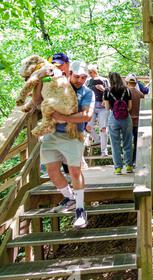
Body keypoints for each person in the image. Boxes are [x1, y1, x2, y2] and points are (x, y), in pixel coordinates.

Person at [33, 60, 94, 228]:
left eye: (83, 77)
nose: (80, 80)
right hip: (52, 135)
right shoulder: (56, 84)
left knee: (75, 171)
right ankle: (70, 198)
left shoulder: (87, 92)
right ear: (69, 74)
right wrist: (39, 81)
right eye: (77, 77)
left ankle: (81, 210)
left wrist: (64, 118)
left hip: (73, 135)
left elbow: (87, 115)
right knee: (52, 171)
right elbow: (37, 103)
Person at [104, 72, 133, 175]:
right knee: (127, 142)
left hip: (113, 118)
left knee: (115, 144)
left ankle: (118, 168)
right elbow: (130, 107)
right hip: (126, 118)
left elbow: (107, 108)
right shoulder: (127, 90)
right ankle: (129, 166)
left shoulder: (107, 91)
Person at [86, 64, 109, 156]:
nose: (89, 74)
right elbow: (84, 92)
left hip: (103, 107)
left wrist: (103, 89)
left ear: (95, 71)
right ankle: (97, 140)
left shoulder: (104, 80)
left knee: (103, 129)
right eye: (88, 72)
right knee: (88, 126)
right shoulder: (87, 81)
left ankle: (104, 151)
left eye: (90, 72)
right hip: (91, 107)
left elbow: (110, 92)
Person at [125, 74, 144, 165]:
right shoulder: (140, 94)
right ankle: (135, 160)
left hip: (127, 121)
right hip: (138, 122)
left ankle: (128, 162)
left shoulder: (125, 93)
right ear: (135, 83)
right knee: (137, 142)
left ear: (127, 82)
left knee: (127, 142)